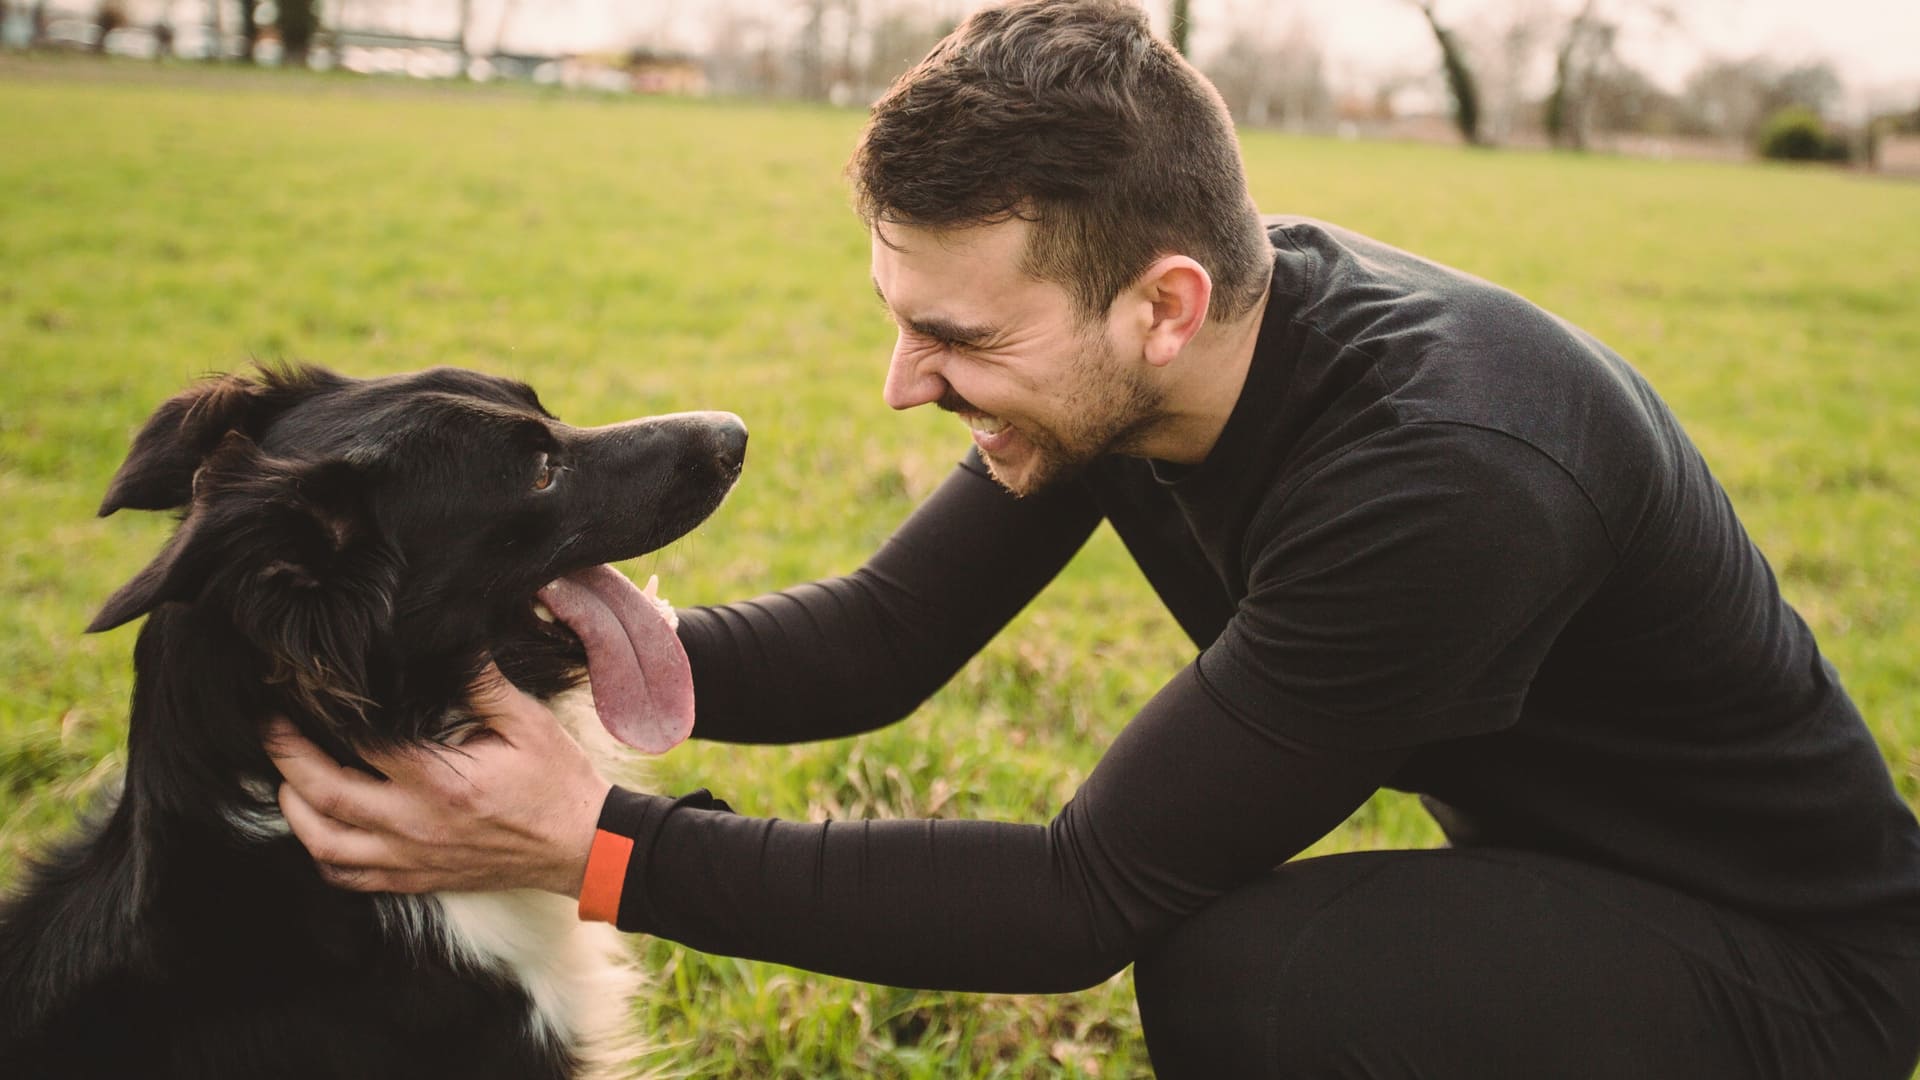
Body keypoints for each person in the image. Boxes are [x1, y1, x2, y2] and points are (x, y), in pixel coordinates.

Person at [264, 2, 1920, 1075]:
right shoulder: (1154, 360)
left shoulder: (1446, 481)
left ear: (1161, 307)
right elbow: (881, 640)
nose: (906, 385)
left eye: (959, 340)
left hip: (1806, 972)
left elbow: (1080, 896)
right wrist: (525, 646)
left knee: (1254, 979)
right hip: (1564, 879)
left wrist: (597, 843)